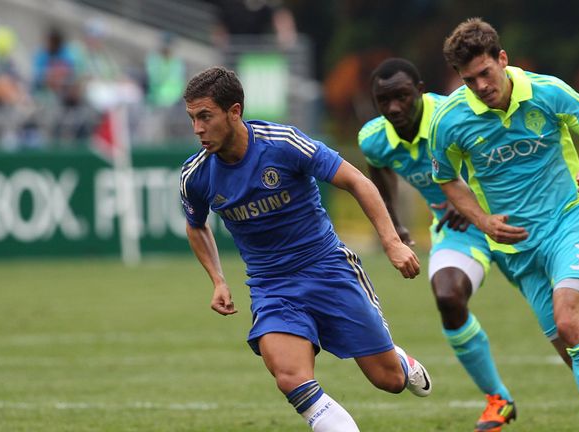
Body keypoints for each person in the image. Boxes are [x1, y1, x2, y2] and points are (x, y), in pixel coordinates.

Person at [430, 18, 579, 432]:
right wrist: (482, 220)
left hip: (565, 223)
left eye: (486, 73)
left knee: (572, 324)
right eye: (470, 80)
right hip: (516, 247)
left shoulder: (548, 92)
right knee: (577, 348)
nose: (481, 85)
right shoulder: (450, 120)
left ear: (503, 59)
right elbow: (446, 177)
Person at [179, 66, 431, 432]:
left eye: (205, 117)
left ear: (234, 111)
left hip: (328, 270)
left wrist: (391, 242)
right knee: (290, 378)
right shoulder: (196, 175)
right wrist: (217, 279)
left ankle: (399, 361)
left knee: (388, 381)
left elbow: (357, 181)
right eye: (192, 119)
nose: (198, 129)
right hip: (273, 288)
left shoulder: (283, 144)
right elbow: (196, 224)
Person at [358, 57, 516, 431]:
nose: (394, 107)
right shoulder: (374, 138)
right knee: (447, 296)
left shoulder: (455, 114)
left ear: (420, 91)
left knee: (566, 324)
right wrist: (395, 230)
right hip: (457, 229)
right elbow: (380, 175)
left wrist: (469, 199)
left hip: (511, 219)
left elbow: (499, 153)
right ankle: (498, 399)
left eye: (402, 97)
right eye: (385, 101)